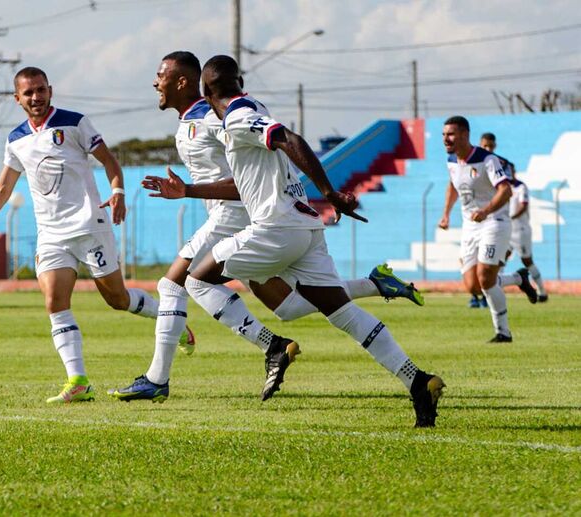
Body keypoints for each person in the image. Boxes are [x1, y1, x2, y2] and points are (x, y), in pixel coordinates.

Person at [142, 55, 443, 427]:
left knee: (194, 280)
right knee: (336, 313)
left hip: (274, 228)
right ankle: (416, 380)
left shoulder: (236, 116)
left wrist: (330, 192)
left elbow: (287, 138)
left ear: (205, 90)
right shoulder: (254, 106)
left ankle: (270, 346)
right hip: (306, 228)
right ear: (240, 81)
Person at [0, 66, 189, 404]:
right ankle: (78, 381)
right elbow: (2, 188)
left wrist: (118, 192)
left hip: (90, 227)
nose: (36, 97)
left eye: (41, 89)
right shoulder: (16, 139)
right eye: (28, 92)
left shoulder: (74, 123)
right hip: (52, 235)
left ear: (50, 90)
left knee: (117, 300)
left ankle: (170, 318)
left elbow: (109, 162)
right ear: (17, 99)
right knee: (54, 301)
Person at [438, 117, 538, 343]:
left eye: (450, 134)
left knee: (485, 278)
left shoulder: (487, 160)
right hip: (469, 227)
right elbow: (453, 186)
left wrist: (485, 210)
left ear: (464, 135)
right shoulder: (451, 160)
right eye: (444, 134)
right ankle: (518, 279)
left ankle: (503, 332)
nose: (446, 139)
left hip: (494, 222)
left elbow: (505, 191)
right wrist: (445, 214)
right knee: (473, 286)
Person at [480, 132, 548, 302]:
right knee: (499, 261)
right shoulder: (495, 185)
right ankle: (495, 293)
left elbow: (523, 206)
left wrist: (511, 215)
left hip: (520, 229)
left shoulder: (520, 187)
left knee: (527, 261)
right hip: (505, 228)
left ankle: (542, 291)